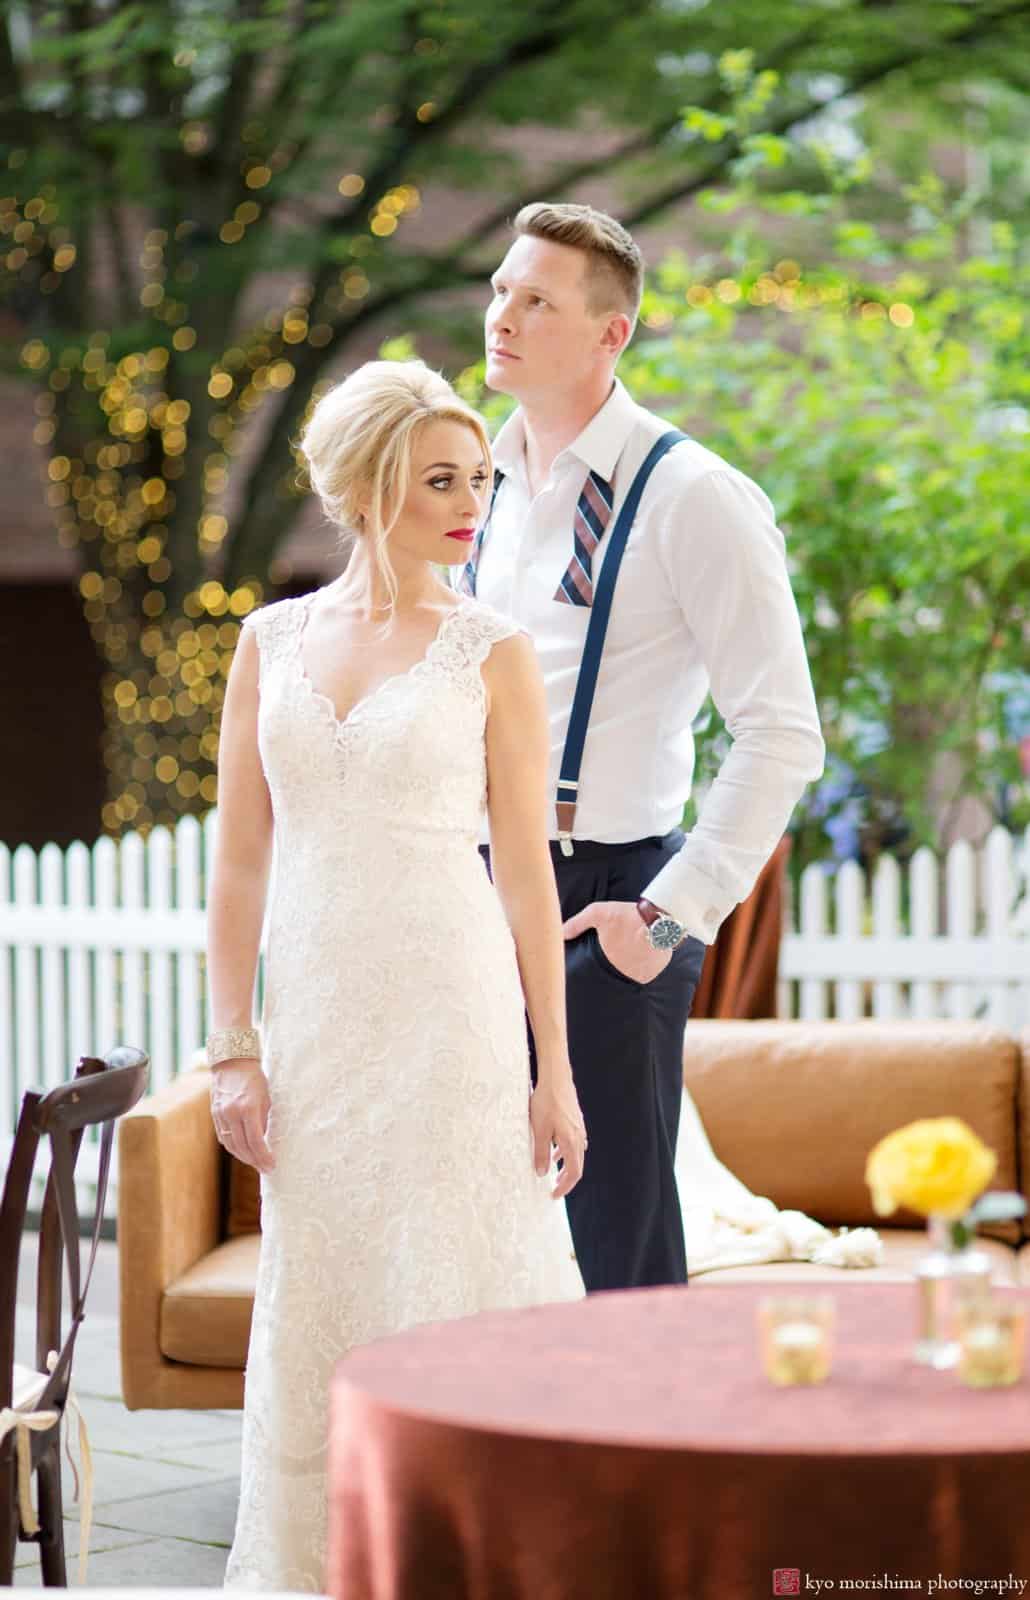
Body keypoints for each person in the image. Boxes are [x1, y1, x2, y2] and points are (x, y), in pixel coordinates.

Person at [206, 360, 587, 1592]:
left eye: (478, 479)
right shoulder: (268, 642)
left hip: (452, 1013)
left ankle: (473, 1560)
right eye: (439, 481)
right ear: (368, 488)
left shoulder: (491, 648)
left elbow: (528, 874)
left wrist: (554, 1072)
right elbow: (240, 860)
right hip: (317, 1021)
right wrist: (232, 1044)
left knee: (450, 1279)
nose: (469, 503)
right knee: (322, 1290)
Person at [464, 202, 826, 1293]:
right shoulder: (472, 483)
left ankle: (649, 1464)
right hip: (471, 892)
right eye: (498, 288)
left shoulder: (695, 496)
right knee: (483, 1222)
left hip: (605, 896)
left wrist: (668, 917)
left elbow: (782, 732)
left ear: (609, 334)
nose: (503, 315)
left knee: (616, 1243)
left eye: (538, 300)